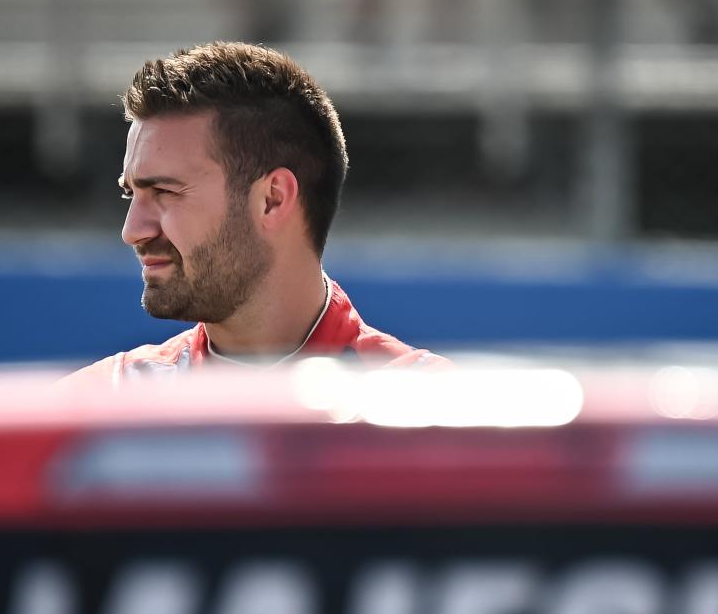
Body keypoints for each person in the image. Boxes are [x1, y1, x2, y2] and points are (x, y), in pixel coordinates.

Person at [63, 42, 446, 386]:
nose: (132, 231)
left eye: (164, 191)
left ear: (272, 199)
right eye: (131, 193)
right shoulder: (100, 404)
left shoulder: (426, 411)